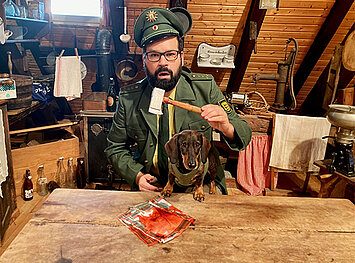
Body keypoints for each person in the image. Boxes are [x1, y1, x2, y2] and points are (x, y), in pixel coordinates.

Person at [105, 7, 251, 194]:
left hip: (200, 183)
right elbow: (114, 147)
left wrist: (226, 127)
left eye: (170, 54)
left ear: (181, 57)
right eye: (154, 55)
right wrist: (137, 176)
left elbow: (245, 135)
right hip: (155, 185)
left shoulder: (205, 89)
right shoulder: (128, 99)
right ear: (144, 60)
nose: (163, 62)